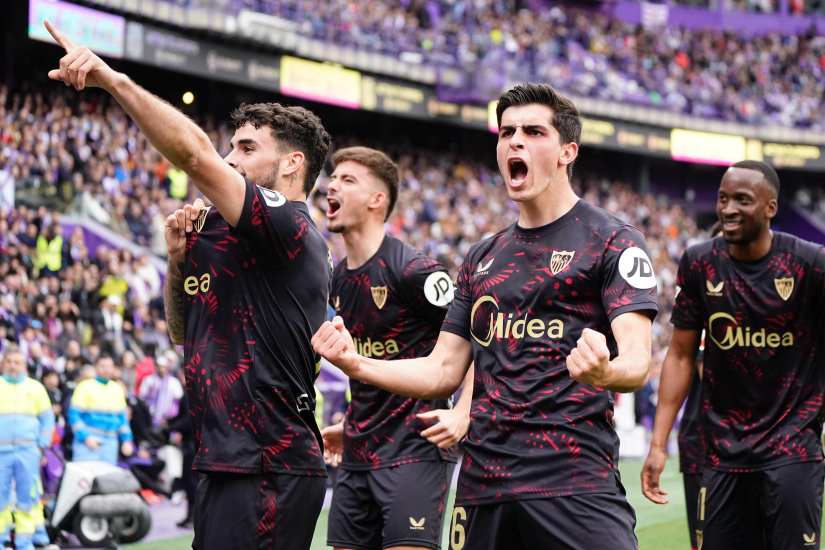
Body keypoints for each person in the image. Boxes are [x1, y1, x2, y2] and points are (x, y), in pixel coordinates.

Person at [313, 83, 658, 549]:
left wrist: (606, 371)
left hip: (573, 483)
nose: (515, 140)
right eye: (507, 132)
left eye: (534, 131)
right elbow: (442, 370)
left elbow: (638, 360)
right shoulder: (481, 256)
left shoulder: (612, 241)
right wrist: (357, 365)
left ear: (566, 151)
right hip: (483, 488)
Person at [47, 20, 333, 550]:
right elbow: (184, 331)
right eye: (232, 147)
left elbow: (194, 156)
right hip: (223, 458)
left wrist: (113, 81)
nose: (230, 158)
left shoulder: (291, 226)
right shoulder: (225, 235)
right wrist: (177, 262)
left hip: (269, 461)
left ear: (292, 164)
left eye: (247, 148)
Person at [641, 161, 825, 550]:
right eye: (723, 199)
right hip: (724, 452)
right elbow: (678, 356)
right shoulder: (699, 263)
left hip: (792, 448)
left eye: (742, 200)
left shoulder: (810, 264)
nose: (727, 209)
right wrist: (658, 444)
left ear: (770, 207)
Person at [322, 147, 474, 550]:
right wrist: (350, 424)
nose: (331, 185)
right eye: (333, 177)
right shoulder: (337, 280)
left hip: (415, 449)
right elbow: (371, 364)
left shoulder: (415, 271)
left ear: (378, 200)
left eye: (347, 180)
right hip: (357, 453)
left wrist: (463, 411)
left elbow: (476, 339)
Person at [0, 347, 54, 550]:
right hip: (1, 453)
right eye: (9, 362)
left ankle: (25, 541)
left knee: (27, 498)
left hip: (28, 452)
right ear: (3, 364)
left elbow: (48, 419)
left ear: (24, 365)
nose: (13, 366)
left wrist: (42, 446)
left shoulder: (36, 388)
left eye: (17, 362)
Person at [67, 354, 134, 464]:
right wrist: (86, 437)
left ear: (113, 368)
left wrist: (127, 440)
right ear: (96, 367)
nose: (106, 370)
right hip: (87, 444)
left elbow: (123, 419)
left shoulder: (117, 389)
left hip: (111, 445)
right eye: (102, 366)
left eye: (109, 366)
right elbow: (73, 415)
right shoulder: (84, 387)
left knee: (106, 479)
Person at [138, 355, 183, 427]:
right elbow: (142, 397)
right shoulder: (149, 380)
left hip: (167, 418)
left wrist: (171, 415)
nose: (161, 369)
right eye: (159, 367)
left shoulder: (174, 382)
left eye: (163, 367)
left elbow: (177, 401)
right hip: (150, 416)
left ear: (167, 368)